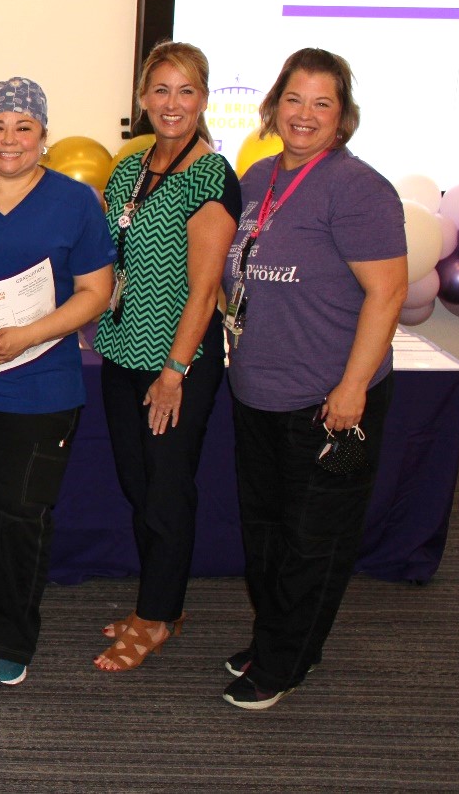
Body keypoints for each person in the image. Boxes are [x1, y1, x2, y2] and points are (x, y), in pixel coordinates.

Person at [219, 48, 406, 710]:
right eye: (293, 100)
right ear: (271, 107)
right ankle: (278, 636)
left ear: (342, 117)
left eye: (321, 103)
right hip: (257, 391)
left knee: (311, 543)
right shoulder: (257, 178)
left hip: (326, 400)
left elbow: (387, 293)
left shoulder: (356, 189)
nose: (304, 114)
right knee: (264, 533)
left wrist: (351, 389)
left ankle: (282, 664)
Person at [0, 78, 115, 686]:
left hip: (41, 391)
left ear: (44, 137)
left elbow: (96, 292)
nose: (9, 140)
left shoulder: (75, 203)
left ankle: (13, 637)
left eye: (23, 127)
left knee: (19, 514)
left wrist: (31, 335)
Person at [91, 40, 240, 672]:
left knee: (167, 492)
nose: (171, 103)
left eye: (185, 91)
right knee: (138, 484)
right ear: (142, 98)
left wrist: (176, 372)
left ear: (203, 99)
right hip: (122, 354)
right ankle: (161, 603)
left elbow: (206, 289)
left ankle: (154, 618)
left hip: (175, 362)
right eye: (160, 90)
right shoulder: (130, 170)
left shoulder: (210, 174)